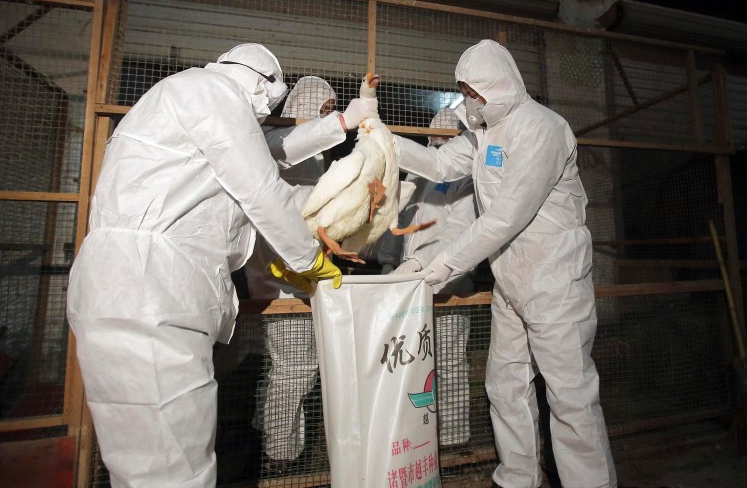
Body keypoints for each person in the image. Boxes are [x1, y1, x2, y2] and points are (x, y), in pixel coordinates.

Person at [64, 43, 372, 488]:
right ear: (261, 81)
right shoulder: (211, 93)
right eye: (273, 97)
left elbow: (271, 148)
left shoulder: (188, 97)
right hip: (151, 293)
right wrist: (309, 260)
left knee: (143, 462)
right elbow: (261, 185)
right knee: (173, 468)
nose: (271, 109)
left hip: (125, 289)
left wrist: (339, 123)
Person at [393, 40, 616, 487]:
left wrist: (438, 267)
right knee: (504, 384)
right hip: (510, 280)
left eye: (471, 90)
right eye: (463, 91)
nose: (467, 99)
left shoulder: (541, 128)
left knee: (569, 395)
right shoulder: (484, 134)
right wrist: (384, 141)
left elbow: (506, 216)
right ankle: (517, 477)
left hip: (554, 280)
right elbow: (437, 164)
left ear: (494, 85)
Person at [243, 76, 345, 466]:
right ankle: (280, 453)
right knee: (295, 369)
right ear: (303, 106)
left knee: (287, 367)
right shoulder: (278, 151)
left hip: (299, 285)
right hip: (284, 287)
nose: (329, 117)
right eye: (323, 109)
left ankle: (264, 429)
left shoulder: (314, 163)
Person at [379, 107, 476, 447]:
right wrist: (389, 262)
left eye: (446, 137)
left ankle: (452, 438)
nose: (437, 143)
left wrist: (420, 263)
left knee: (448, 362)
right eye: (435, 136)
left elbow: (459, 232)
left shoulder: (466, 179)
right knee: (415, 363)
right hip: (410, 289)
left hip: (449, 285)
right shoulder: (420, 176)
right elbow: (400, 221)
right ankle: (418, 437)